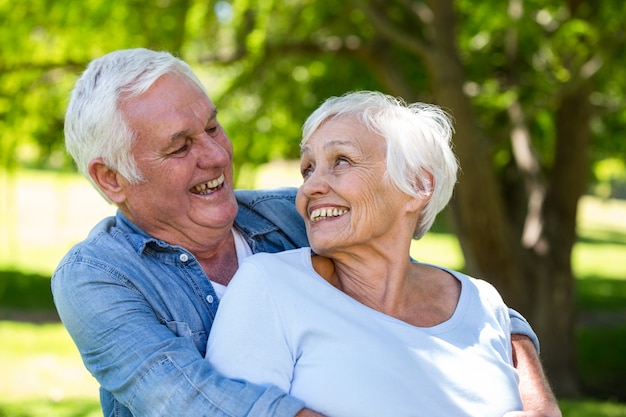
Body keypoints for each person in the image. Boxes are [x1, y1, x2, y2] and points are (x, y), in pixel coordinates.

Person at [51, 48, 557, 417]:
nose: (216, 155)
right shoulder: (96, 278)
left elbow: (439, 292)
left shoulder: (294, 215)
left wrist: (532, 393)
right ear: (111, 178)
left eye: (212, 127)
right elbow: (188, 402)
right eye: (180, 147)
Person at [206, 91, 562, 417]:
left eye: (341, 161)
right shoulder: (270, 284)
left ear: (418, 186)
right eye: (308, 169)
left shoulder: (483, 303)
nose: (310, 187)